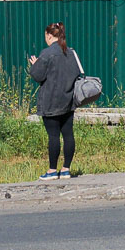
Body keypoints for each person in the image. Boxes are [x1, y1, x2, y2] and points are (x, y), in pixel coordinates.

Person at [28, 22, 77, 181]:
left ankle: (51, 171)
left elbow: (38, 76)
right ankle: (66, 170)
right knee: (68, 134)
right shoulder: (70, 52)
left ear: (49, 36)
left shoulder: (47, 53)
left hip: (51, 101)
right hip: (68, 99)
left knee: (53, 136)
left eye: (46, 37)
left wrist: (35, 65)